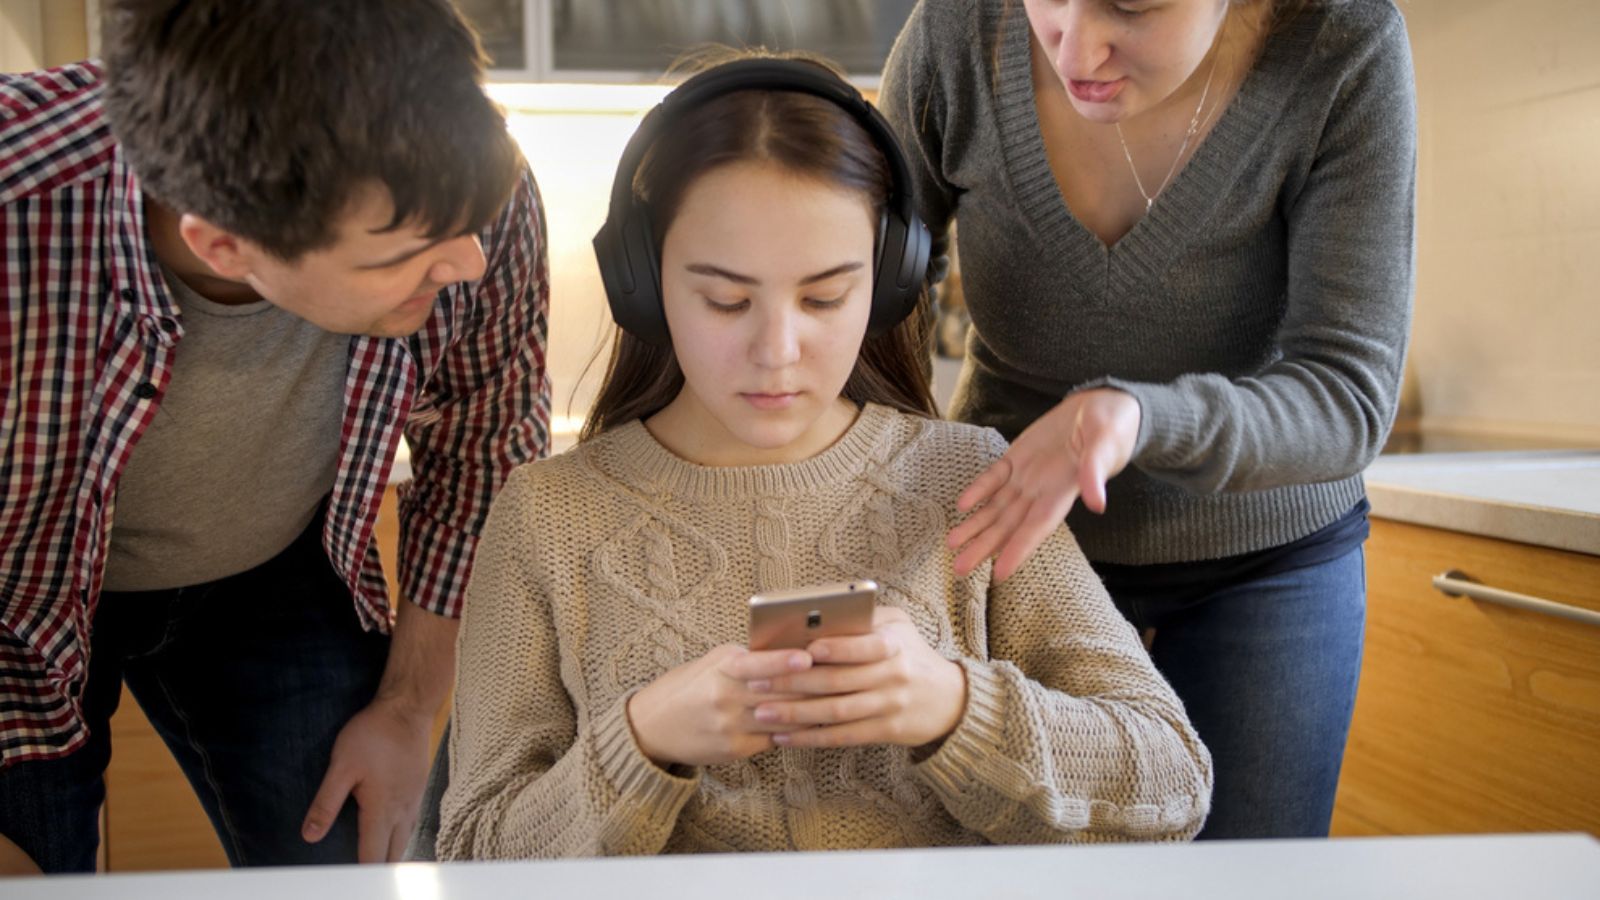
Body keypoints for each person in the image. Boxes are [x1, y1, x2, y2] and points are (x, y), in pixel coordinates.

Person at [436, 54, 1211, 860]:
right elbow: (472, 852)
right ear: (642, 282)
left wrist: (953, 707)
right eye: (726, 300)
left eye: (825, 298)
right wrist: (642, 740)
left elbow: (1173, 780)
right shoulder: (543, 516)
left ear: (887, 282)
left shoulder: (971, 477)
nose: (777, 351)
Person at [0, 0, 550, 873]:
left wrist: (410, 709)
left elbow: (484, 445)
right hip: (15, 608)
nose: (469, 264)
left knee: (349, 861)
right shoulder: (17, 208)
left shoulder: (463, 193)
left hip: (279, 570)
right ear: (221, 244)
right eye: (399, 256)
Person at [879, 0, 1416, 839]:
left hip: (1267, 563)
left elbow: (1346, 394)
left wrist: (1137, 418)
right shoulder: (956, 31)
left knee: (1249, 880)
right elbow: (877, 292)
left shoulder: (1343, 45)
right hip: (1017, 551)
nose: (1077, 47)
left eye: (1132, 6)